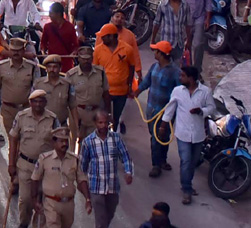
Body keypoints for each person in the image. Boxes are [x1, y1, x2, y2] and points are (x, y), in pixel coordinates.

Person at [161, 64, 215, 205]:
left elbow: (212, 108)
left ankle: (187, 183)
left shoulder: (205, 92)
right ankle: (186, 189)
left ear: (191, 78)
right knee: (185, 160)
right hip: (182, 133)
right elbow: (170, 108)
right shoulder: (178, 91)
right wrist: (163, 124)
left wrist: (201, 111)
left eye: (183, 76)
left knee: (192, 162)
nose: (180, 78)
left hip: (198, 135)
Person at [10, 90, 62, 228]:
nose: (38, 104)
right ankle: (24, 223)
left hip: (46, 167)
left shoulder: (52, 119)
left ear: (45, 103)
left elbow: (60, 141)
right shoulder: (21, 116)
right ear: (30, 103)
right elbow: (14, 139)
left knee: (44, 201)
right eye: (35, 101)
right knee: (26, 199)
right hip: (26, 164)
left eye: (41, 101)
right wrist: (11, 164)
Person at [78, 110, 133, 228]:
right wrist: (86, 194)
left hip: (112, 187)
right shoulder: (88, 142)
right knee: (101, 220)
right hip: (96, 188)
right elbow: (82, 167)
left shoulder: (116, 139)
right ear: (95, 123)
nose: (103, 126)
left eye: (105, 123)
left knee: (108, 217)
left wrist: (128, 172)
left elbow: (126, 157)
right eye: (100, 122)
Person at [135, 41, 180, 176]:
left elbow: (179, 94)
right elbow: (146, 82)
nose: (153, 53)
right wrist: (136, 92)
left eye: (156, 51)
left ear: (161, 54)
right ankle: (161, 160)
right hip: (151, 111)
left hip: (165, 113)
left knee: (160, 137)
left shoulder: (175, 72)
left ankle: (157, 164)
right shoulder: (154, 67)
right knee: (156, 136)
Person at [31, 128, 91, 228]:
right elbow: (35, 179)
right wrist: (34, 200)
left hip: (69, 204)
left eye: (66, 141)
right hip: (51, 203)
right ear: (54, 142)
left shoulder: (74, 160)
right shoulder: (44, 159)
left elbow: (81, 180)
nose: (64, 144)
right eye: (61, 141)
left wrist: (87, 199)